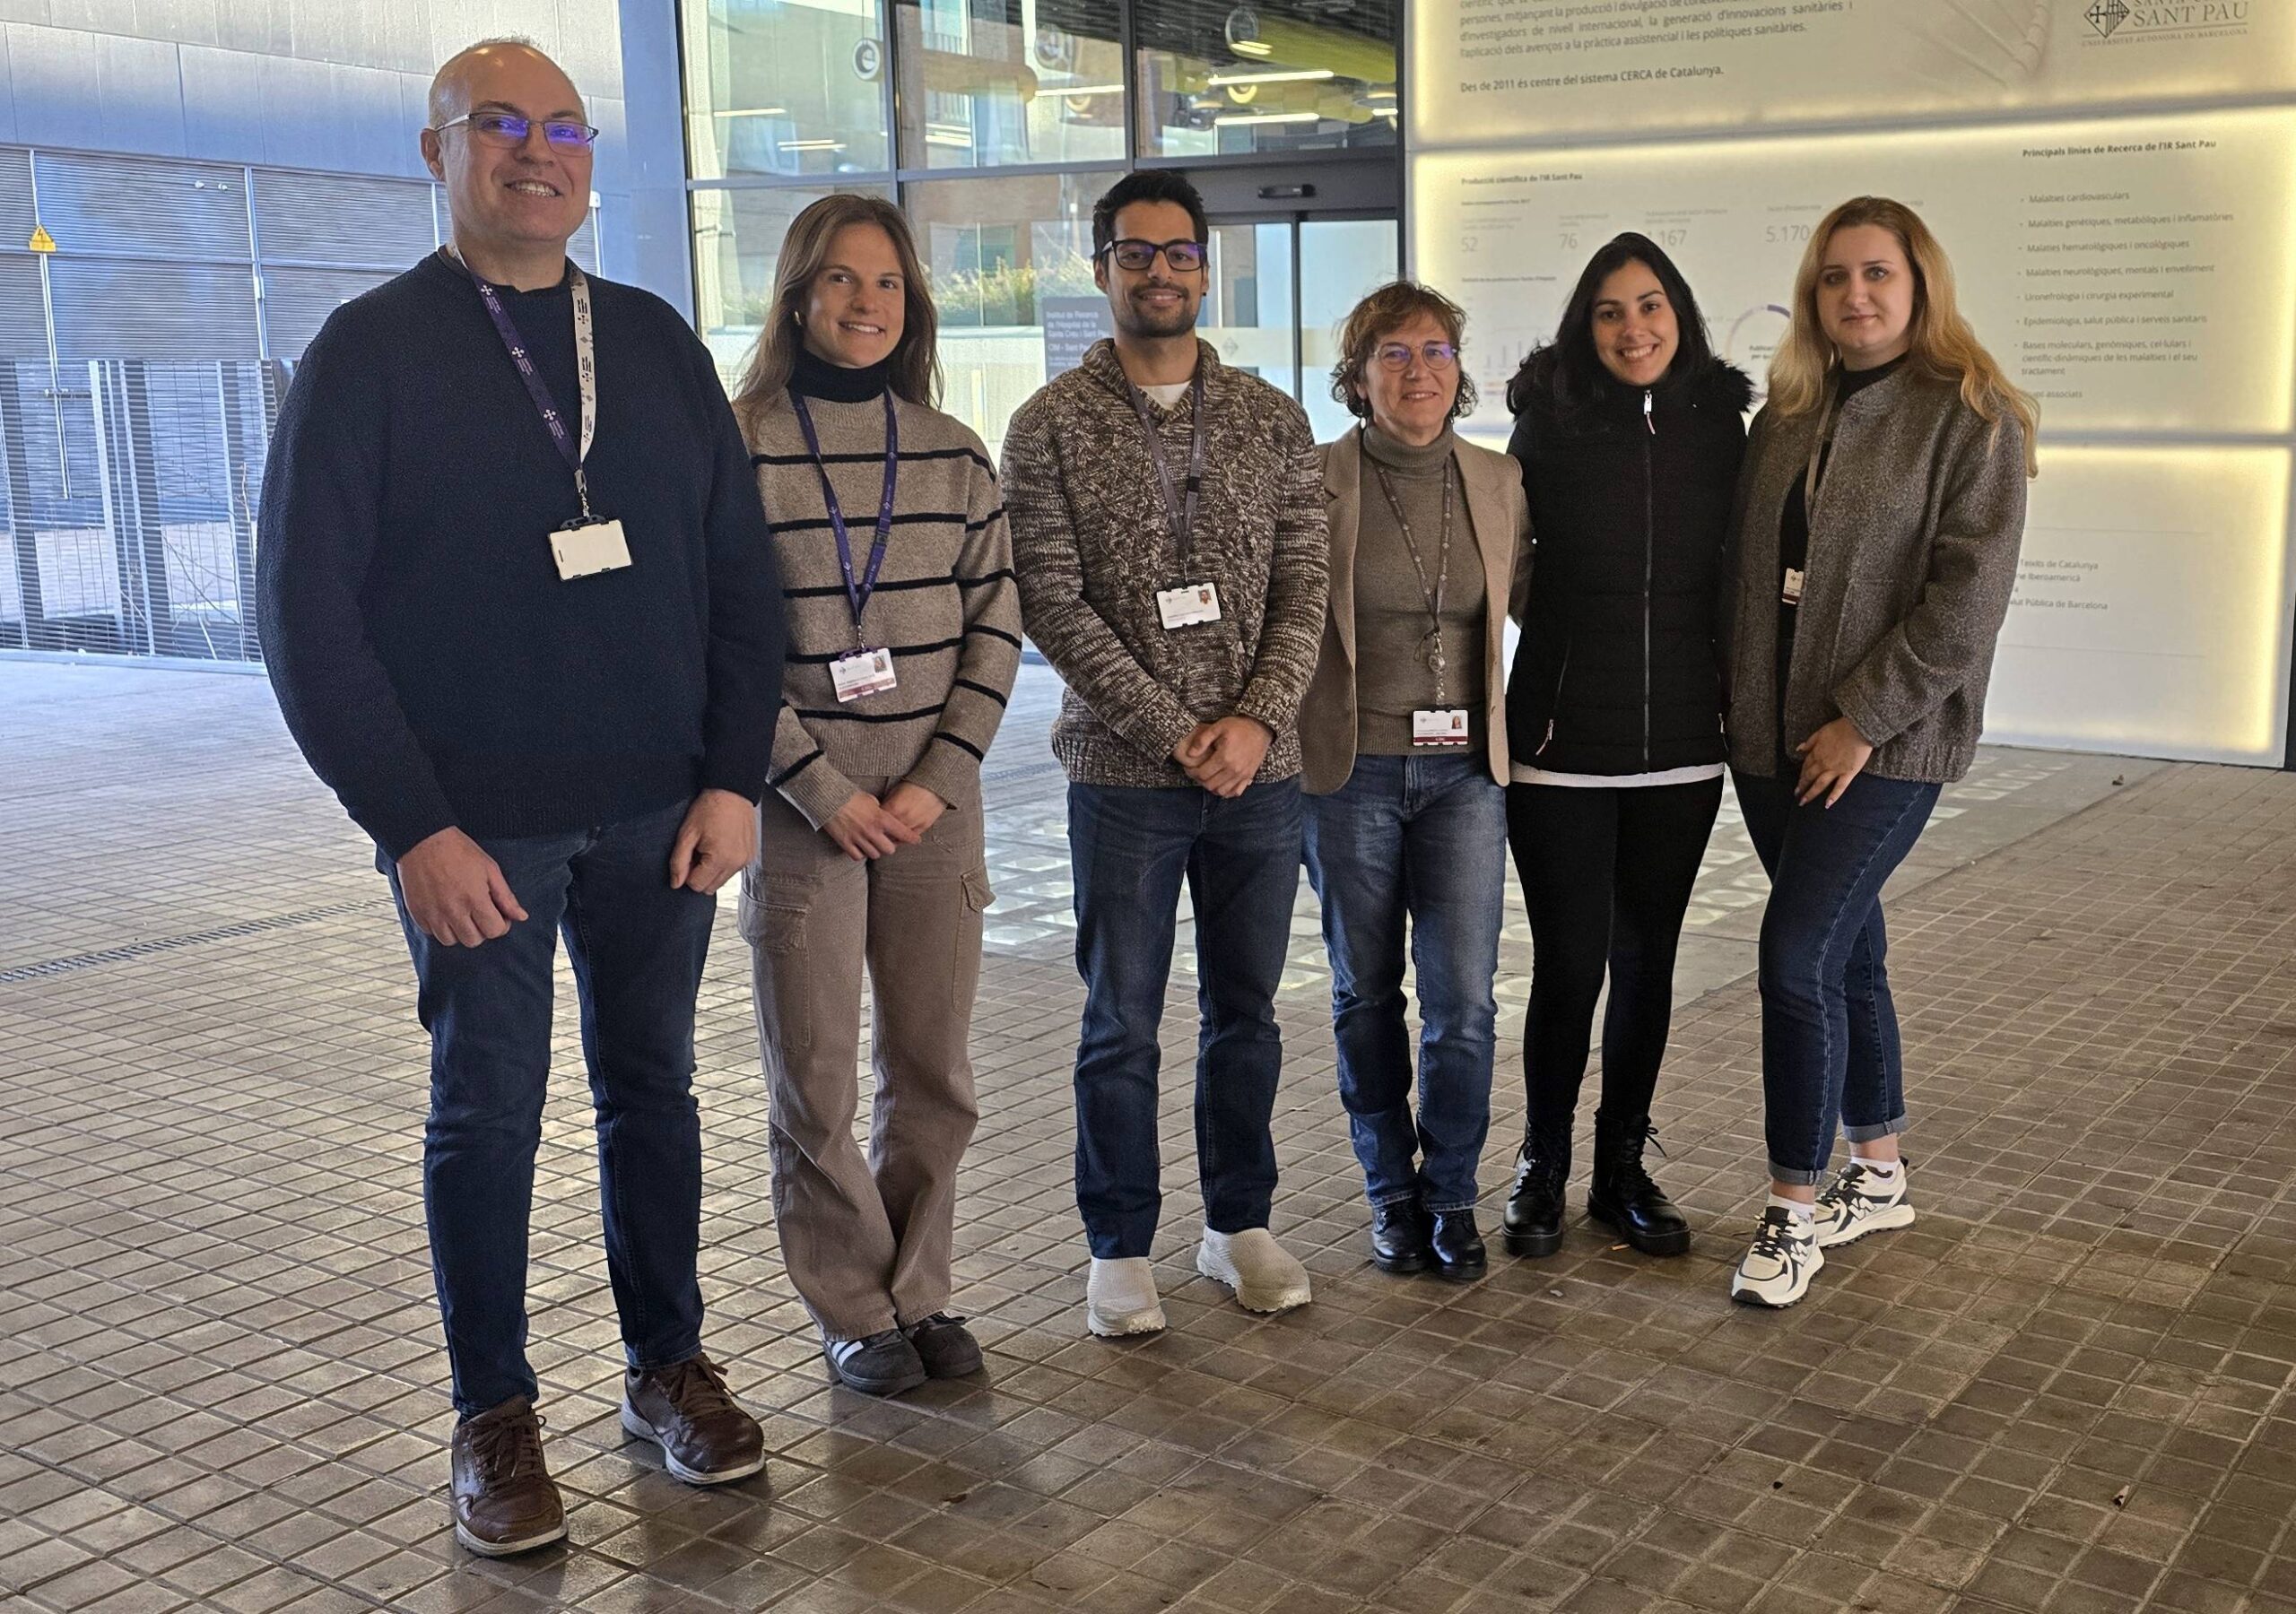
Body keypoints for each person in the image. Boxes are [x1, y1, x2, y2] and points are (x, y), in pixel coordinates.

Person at [255, 40, 785, 1556]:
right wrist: (410, 825)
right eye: (500, 124)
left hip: (662, 817)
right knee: (487, 1114)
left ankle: (667, 1367)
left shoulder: (657, 342)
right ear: (436, 153)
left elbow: (743, 580)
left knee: (655, 1097)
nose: (535, 151)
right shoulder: (366, 356)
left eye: (563, 127)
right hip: (476, 835)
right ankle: (493, 1414)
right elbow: (306, 616)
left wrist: (733, 780)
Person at [1003, 170, 1330, 1337]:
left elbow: (1306, 588)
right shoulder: (1046, 426)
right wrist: (1172, 728)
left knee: (1246, 1011)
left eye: (1179, 252)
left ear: (1207, 267)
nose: (1159, 272)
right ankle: (1120, 1241)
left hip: (1261, 775)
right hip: (1123, 776)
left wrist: (1251, 722)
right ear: (1100, 269)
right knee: (1121, 1019)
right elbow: (1050, 599)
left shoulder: (1271, 420)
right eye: (1134, 254)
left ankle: (1238, 1223)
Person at [1720, 196, 2033, 1307]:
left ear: (1918, 285)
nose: (1855, 295)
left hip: (1885, 746)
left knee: (1793, 957)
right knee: (1847, 954)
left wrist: (1864, 716)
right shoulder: (1788, 413)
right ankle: (1882, 1169)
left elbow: (1966, 602)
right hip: (1768, 740)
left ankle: (1793, 1209)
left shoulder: (1971, 417)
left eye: (1877, 275)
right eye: (1835, 277)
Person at [731, 195, 1021, 1395]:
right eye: (842, 280)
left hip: (932, 817)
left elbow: (997, 630)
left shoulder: (953, 450)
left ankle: (921, 1292)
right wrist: (818, 788)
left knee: (934, 1072)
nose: (865, 302)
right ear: (799, 295)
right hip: (805, 823)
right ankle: (852, 1307)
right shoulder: (736, 446)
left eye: (888, 282)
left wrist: (936, 781)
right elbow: (718, 646)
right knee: (818, 1077)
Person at [1497, 236, 1753, 1263]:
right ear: (1583, 325)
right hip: (1558, 745)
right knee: (1568, 963)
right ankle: (1541, 1165)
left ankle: (1619, 1170)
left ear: (1679, 314)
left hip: (1684, 744)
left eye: (1649, 307)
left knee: (1649, 962)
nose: (1632, 328)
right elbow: (1508, 565)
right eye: (1609, 311)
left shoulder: (1719, 428)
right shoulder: (1545, 422)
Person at [1298, 282, 1530, 1281]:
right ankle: (1389, 1187)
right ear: (1356, 376)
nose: (1418, 370)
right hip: (1349, 772)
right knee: (1362, 995)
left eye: (1435, 351)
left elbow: (1531, 602)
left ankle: (1452, 1197)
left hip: (1466, 778)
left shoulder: (1497, 480)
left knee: (1464, 1003)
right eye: (1393, 353)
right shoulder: (1316, 479)